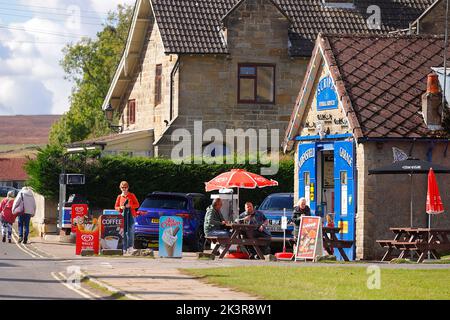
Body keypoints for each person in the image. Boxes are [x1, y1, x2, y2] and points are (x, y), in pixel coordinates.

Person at [115, 181, 140, 252]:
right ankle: (124, 247)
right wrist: (120, 207)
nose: (124, 189)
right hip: (123, 216)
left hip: (132, 215)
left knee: (130, 232)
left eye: (125, 187)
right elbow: (116, 207)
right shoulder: (119, 197)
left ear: (128, 188)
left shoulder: (131, 195)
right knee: (124, 232)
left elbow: (137, 205)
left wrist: (130, 206)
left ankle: (130, 247)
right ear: (120, 188)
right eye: (122, 187)